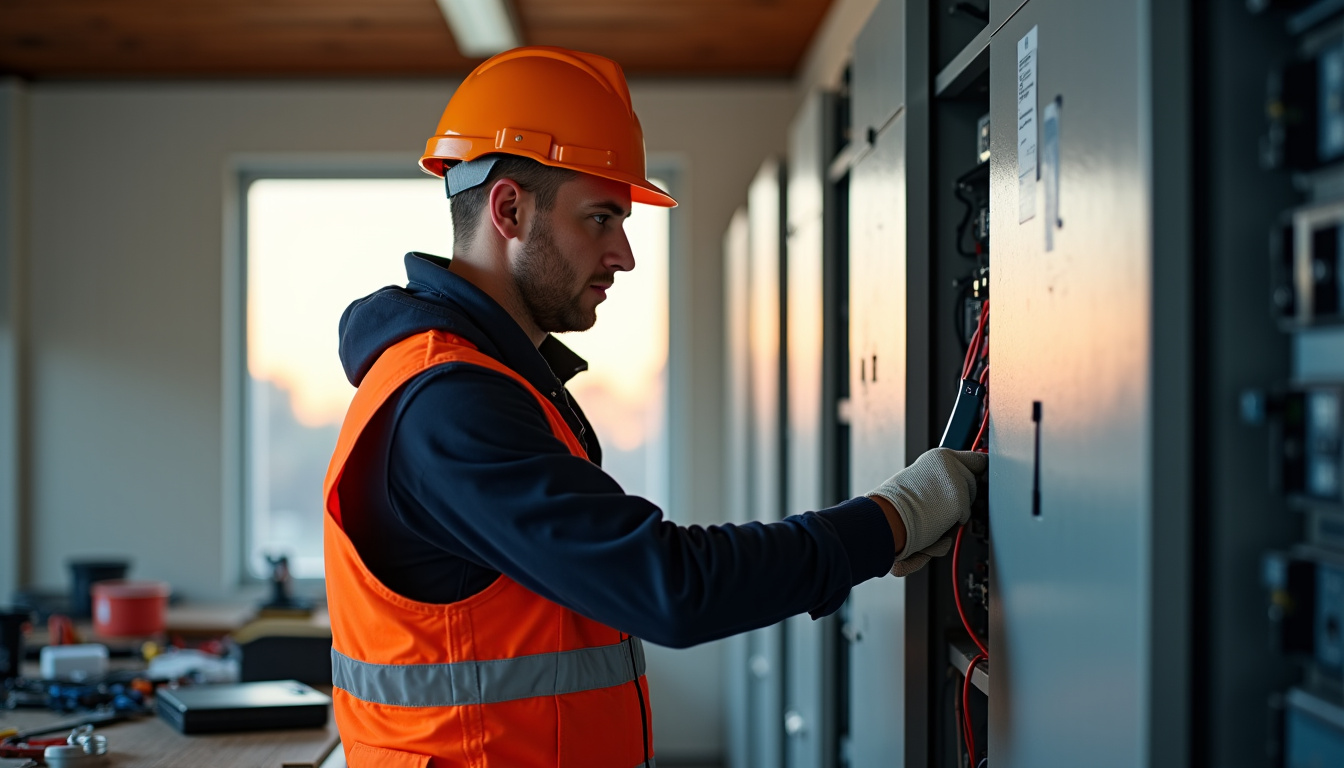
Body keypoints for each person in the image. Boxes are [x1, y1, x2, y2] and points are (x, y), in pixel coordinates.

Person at [322, 45, 987, 768]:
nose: (625, 254)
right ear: (509, 209)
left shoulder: (487, 383)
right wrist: (897, 515)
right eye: (601, 218)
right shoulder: (447, 405)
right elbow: (671, 587)